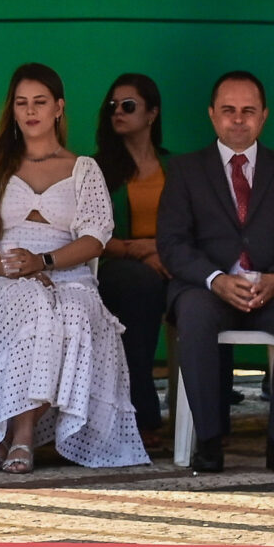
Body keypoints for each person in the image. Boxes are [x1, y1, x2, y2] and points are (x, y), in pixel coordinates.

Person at [0, 63, 146, 473]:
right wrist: (12, 270)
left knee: (73, 312)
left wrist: (44, 263)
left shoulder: (84, 169)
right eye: (22, 103)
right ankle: (21, 437)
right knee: (34, 305)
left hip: (67, 272)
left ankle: (9, 436)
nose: (30, 111)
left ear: (59, 107)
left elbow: (96, 237)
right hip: (0, 273)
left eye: (40, 102)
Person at [158, 71, 274, 475]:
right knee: (194, 314)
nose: (238, 119)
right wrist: (215, 278)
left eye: (248, 111)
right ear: (212, 115)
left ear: (264, 116)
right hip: (208, 289)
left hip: (273, 289)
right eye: (229, 110)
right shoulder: (184, 170)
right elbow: (172, 242)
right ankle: (210, 442)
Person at [94, 72, 171, 438]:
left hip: (173, 262)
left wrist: (161, 250)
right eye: (113, 106)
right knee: (139, 285)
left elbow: (199, 228)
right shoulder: (96, 170)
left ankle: (208, 421)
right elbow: (88, 237)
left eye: (128, 106)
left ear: (152, 114)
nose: (118, 112)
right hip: (118, 265)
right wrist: (138, 251)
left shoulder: (179, 168)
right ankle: (141, 415)